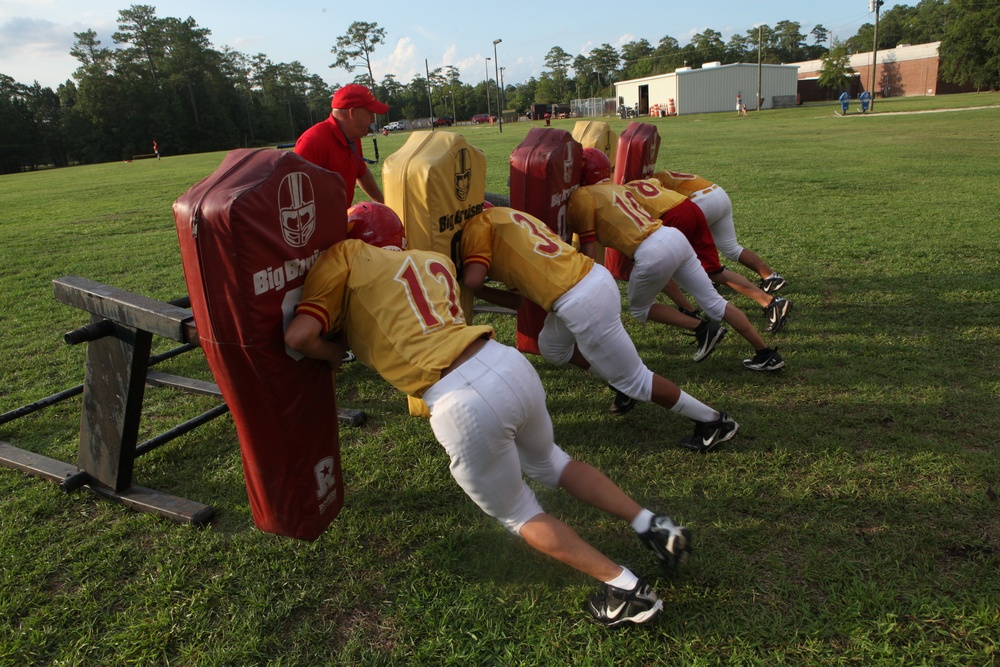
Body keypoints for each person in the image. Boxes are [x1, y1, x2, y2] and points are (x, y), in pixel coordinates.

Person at [285, 203, 693, 627]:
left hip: (459, 396)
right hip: (505, 362)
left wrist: (334, 354)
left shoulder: (345, 256)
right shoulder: (431, 258)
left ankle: (626, 589)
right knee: (553, 461)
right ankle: (652, 524)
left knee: (518, 512)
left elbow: (299, 336)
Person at [461, 203, 740, 449]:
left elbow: (473, 281)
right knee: (553, 346)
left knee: (636, 380)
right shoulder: (507, 215)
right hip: (591, 276)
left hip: (579, 299)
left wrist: (464, 282)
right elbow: (522, 302)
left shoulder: (476, 228)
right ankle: (617, 383)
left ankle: (714, 421)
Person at [568, 149, 786, 372]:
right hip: (673, 238)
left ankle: (702, 328)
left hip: (650, 250)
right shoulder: (616, 188)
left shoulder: (583, 196)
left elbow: (588, 247)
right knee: (715, 303)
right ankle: (766, 353)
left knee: (639, 310)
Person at [652, 170, 787, 294]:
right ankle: (771, 277)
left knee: (680, 246)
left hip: (699, 201)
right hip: (718, 193)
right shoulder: (660, 174)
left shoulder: (651, 180)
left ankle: (708, 278)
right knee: (731, 248)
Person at [295, 83, 386, 204]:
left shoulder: (353, 136)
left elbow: (361, 172)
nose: (373, 120)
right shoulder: (313, 142)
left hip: (341, 219)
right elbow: (295, 193)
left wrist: (383, 203)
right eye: (370, 113)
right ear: (352, 113)